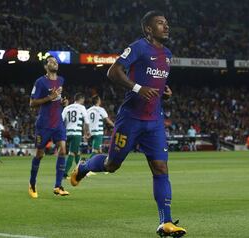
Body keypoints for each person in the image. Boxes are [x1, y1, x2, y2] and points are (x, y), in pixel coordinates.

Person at [70, 11, 187, 237]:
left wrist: (165, 92)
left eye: (167, 23)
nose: (166, 26)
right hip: (131, 119)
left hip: (154, 121)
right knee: (112, 164)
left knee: (161, 169)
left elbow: (156, 82)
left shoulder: (168, 54)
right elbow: (113, 71)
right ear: (149, 30)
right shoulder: (138, 47)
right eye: (161, 23)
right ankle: (83, 167)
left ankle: (166, 222)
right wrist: (137, 88)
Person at [28, 55, 69, 198]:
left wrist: (63, 102)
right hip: (44, 124)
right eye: (51, 61)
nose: (55, 63)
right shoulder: (40, 82)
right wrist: (49, 98)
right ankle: (32, 184)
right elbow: (32, 103)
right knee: (39, 154)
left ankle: (58, 186)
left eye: (56, 61)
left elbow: (57, 99)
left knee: (63, 150)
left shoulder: (61, 80)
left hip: (58, 122)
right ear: (46, 66)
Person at [62, 93, 90, 178]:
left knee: (77, 152)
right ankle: (64, 173)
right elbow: (86, 122)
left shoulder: (67, 107)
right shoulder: (82, 108)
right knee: (72, 153)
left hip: (68, 133)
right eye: (83, 100)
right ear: (81, 99)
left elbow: (61, 120)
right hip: (76, 133)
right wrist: (86, 132)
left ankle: (82, 171)